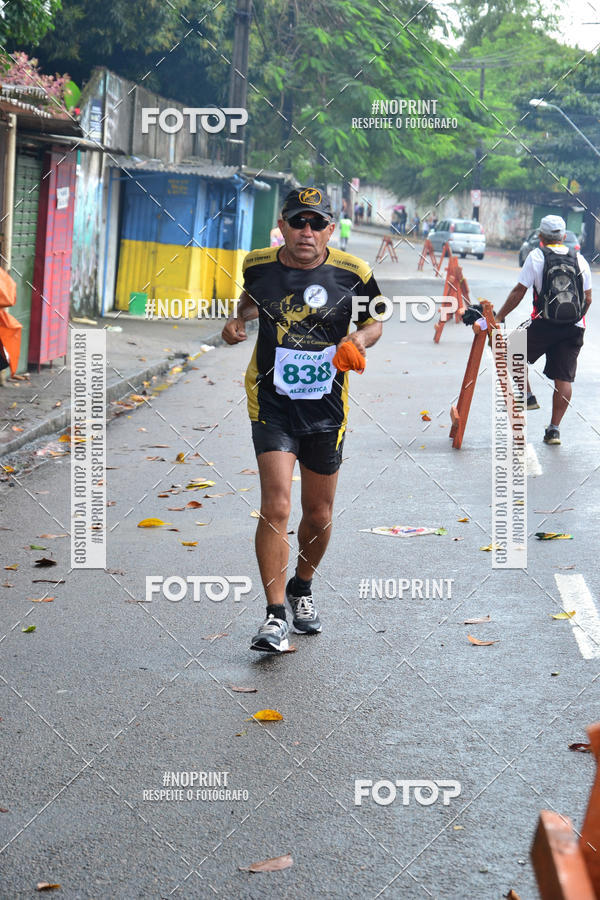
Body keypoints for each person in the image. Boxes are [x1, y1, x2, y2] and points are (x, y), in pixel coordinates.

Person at [222, 187, 384, 652]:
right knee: (276, 507)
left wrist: (359, 340)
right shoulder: (258, 265)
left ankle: (302, 587)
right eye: (298, 222)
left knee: (319, 513)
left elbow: (375, 322)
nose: (306, 232)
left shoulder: (354, 272)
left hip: (326, 405)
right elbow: (250, 306)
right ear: (283, 226)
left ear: (330, 228)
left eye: (316, 223)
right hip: (271, 401)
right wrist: (236, 324)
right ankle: (274, 617)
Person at [496, 214, 591, 445]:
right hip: (574, 327)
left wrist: (500, 316)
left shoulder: (536, 257)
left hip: (544, 323)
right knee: (564, 378)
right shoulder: (580, 260)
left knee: (510, 349)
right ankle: (554, 430)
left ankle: (527, 396)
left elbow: (519, 292)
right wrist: (574, 318)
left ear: (540, 236)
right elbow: (588, 298)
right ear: (564, 236)